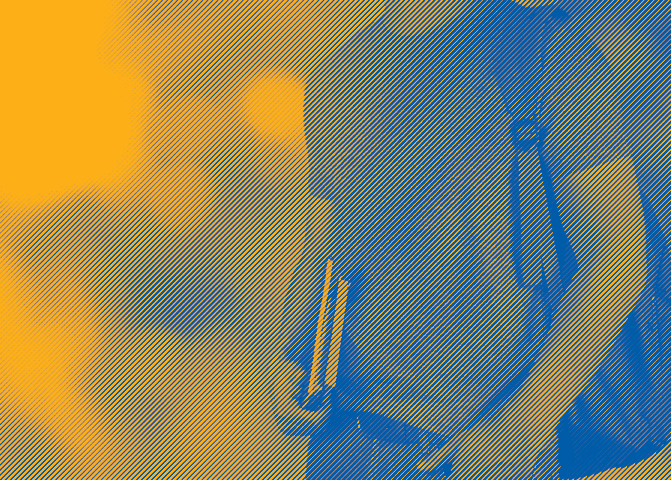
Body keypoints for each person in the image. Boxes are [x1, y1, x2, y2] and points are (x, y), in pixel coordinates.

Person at [276, 0, 671, 478]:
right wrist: (293, 357)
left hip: (484, 446)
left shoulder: (545, 50)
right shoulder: (339, 70)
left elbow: (616, 257)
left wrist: (521, 428)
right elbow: (327, 241)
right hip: (346, 441)